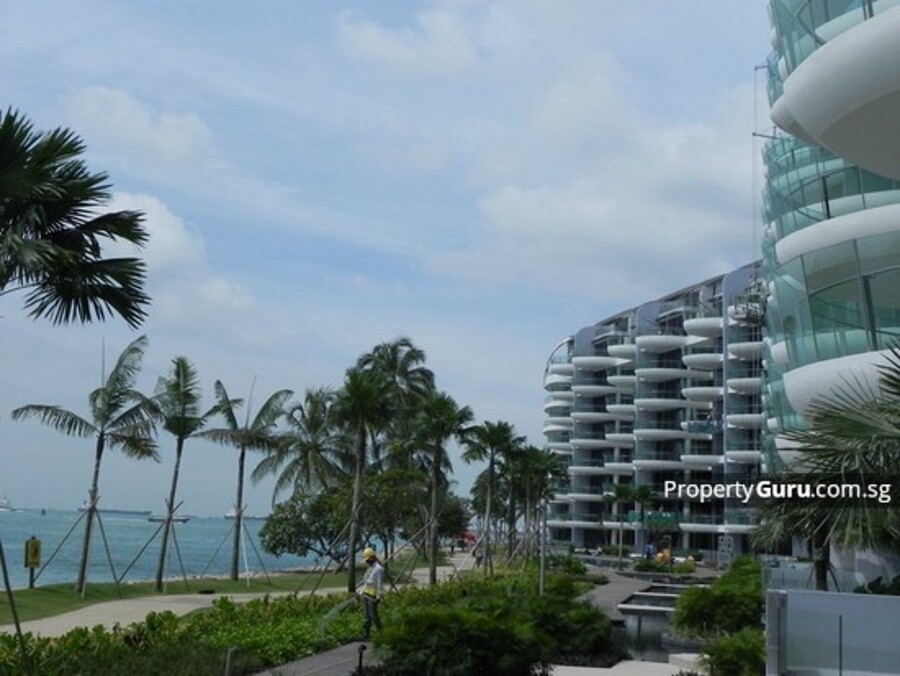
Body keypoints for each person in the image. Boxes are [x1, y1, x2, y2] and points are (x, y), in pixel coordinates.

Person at [358, 547, 384, 640]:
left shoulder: (378, 569)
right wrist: (361, 592)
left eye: (368, 560)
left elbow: (380, 584)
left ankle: (382, 633)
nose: (367, 562)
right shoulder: (370, 568)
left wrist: (379, 596)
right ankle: (365, 634)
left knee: (374, 616)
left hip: (373, 596)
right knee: (366, 616)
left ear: (372, 558)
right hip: (366, 594)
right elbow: (366, 582)